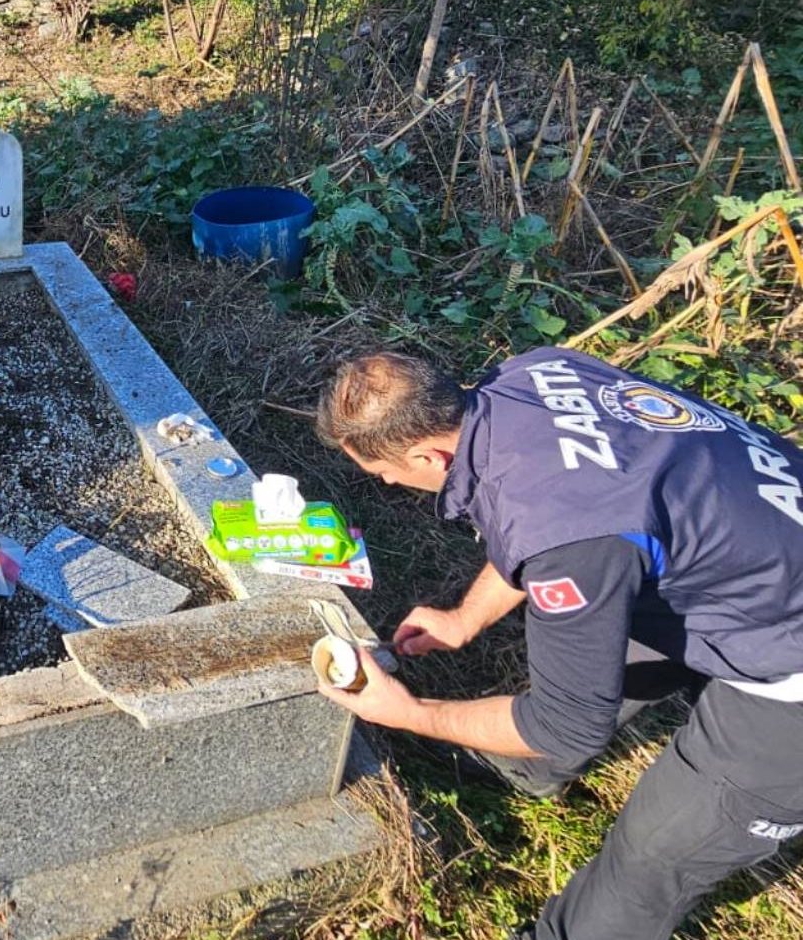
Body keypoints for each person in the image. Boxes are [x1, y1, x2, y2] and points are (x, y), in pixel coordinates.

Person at [314, 346, 803, 940]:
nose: (388, 482)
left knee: (654, 854)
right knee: (601, 641)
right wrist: (465, 617)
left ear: (427, 454)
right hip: (756, 550)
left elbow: (567, 720)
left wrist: (412, 713)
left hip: (790, 666)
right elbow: (559, 509)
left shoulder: (571, 543)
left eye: (385, 472)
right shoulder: (536, 375)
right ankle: (527, 770)